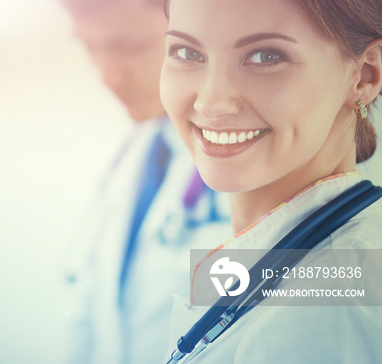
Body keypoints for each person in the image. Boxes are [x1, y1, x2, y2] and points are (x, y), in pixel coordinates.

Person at [160, 0, 382, 362]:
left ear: (364, 76)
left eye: (265, 56)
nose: (212, 103)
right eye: (187, 52)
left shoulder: (334, 305)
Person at [59, 0, 231, 363]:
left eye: (130, 47)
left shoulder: (264, 161)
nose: (108, 76)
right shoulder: (136, 155)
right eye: (89, 47)